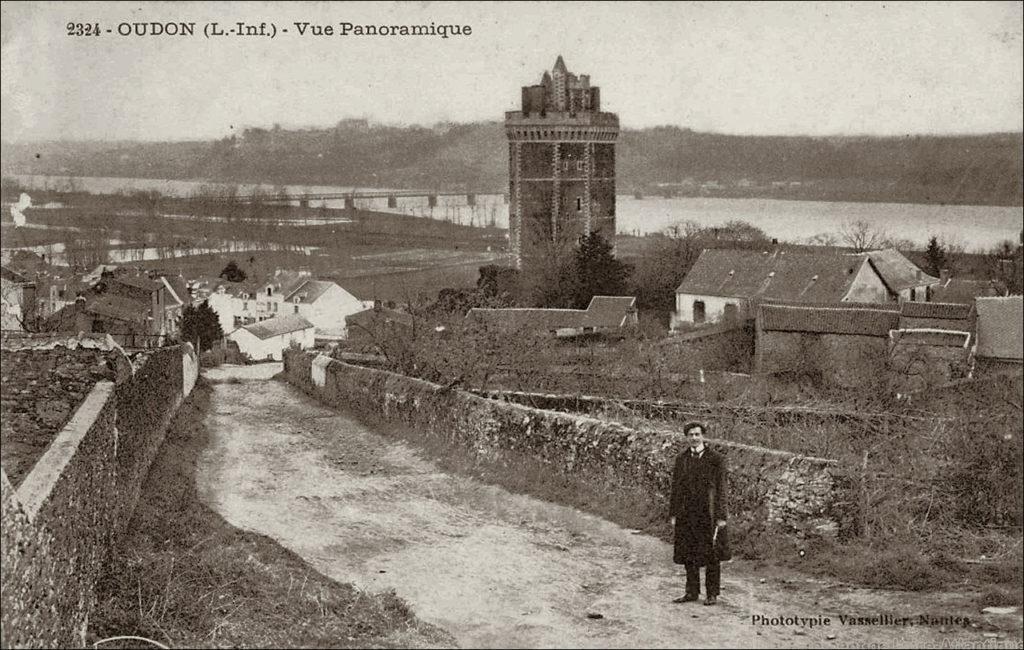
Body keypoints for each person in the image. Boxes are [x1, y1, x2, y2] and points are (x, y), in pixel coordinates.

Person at [670, 420, 728, 606]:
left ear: (703, 436)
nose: (694, 438)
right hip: (687, 513)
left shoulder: (715, 459)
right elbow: (676, 488)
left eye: (697, 434)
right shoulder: (682, 459)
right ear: (686, 438)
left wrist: (721, 516)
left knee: (711, 554)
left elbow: (721, 490)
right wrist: (674, 513)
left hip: (708, 514)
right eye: (691, 435)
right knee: (688, 552)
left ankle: (712, 593)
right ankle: (691, 592)